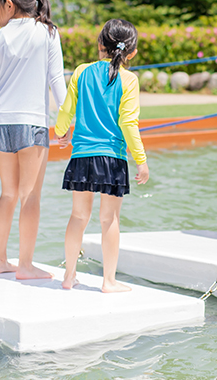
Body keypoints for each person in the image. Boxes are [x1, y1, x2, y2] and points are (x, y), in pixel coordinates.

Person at [0, 0, 65, 279]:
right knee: (30, 196)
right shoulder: (47, 33)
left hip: (1, 123)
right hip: (33, 124)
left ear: (10, 4)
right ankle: (25, 266)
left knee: (8, 194)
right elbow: (57, 81)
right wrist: (65, 123)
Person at [55, 19, 149, 293]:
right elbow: (129, 123)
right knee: (110, 220)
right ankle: (108, 281)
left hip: (82, 155)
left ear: (100, 45)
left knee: (78, 216)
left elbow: (66, 109)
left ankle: (69, 276)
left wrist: (61, 132)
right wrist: (141, 161)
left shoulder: (81, 72)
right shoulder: (129, 79)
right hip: (113, 157)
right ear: (131, 52)